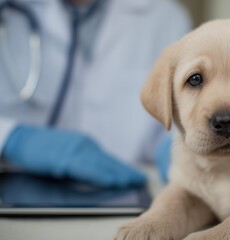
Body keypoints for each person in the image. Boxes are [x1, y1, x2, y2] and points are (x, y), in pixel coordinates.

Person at [0, 0, 190, 187]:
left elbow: (170, 120)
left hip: (125, 192)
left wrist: (177, 146)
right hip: (13, 186)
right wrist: (12, 139)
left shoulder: (165, 17)